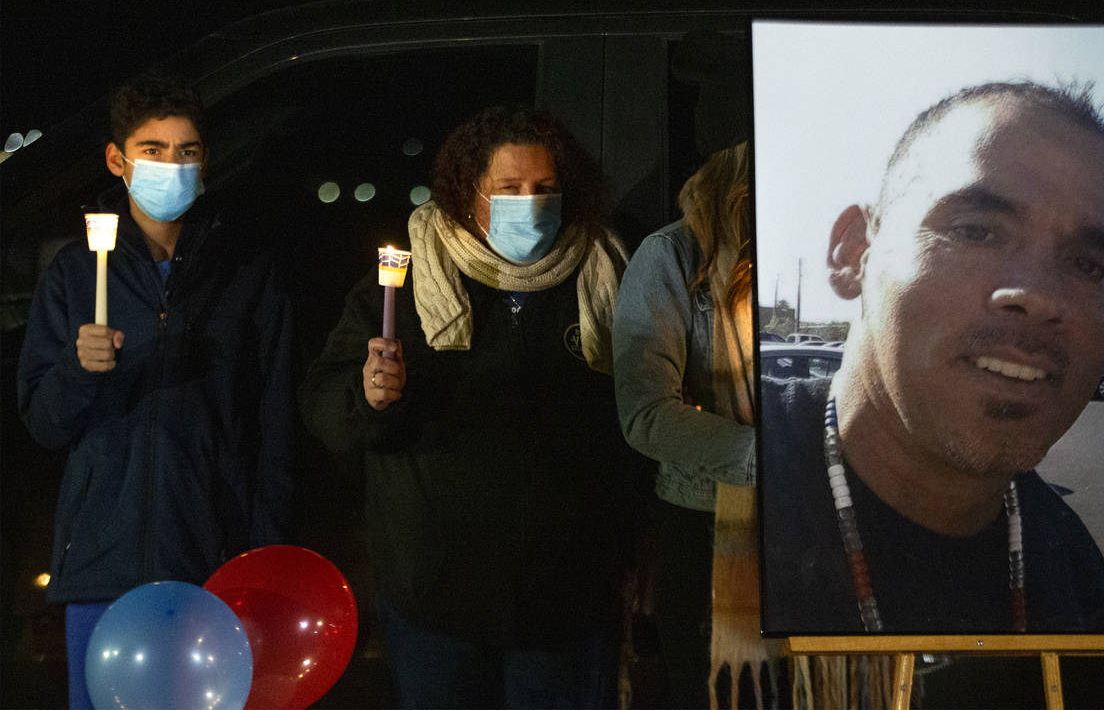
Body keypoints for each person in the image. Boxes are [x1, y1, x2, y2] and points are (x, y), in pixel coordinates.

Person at [298, 105, 639, 709]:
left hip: (566, 601)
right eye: (508, 190)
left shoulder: (606, 269)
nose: (530, 203)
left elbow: (635, 423)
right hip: (436, 603)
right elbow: (327, 405)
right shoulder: (403, 281)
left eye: (544, 188)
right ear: (467, 194)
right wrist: (369, 396)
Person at [760, 81, 1104, 634]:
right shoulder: (725, 484)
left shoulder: (1073, 572)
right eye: (975, 231)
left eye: (1089, 266)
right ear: (855, 251)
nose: (1041, 296)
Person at [16, 71, 299, 709]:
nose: (170, 165)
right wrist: (77, 371)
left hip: (213, 561)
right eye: (153, 150)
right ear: (118, 160)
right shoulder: (75, 271)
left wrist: (263, 559)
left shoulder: (247, 269)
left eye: (187, 151)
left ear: (205, 164)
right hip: (100, 566)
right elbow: (43, 421)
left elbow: (276, 424)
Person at [612, 31, 786, 710]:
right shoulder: (669, 260)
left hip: (813, 527)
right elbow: (645, 411)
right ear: (731, 172)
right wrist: (770, 458)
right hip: (708, 527)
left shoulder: (813, 253)